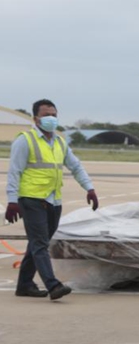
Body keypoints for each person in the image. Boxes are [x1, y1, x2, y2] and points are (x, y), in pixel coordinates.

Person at [5, 99, 98, 300]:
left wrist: (89, 188)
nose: (51, 118)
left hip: (53, 200)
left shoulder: (59, 142)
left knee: (38, 242)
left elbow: (75, 166)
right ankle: (53, 285)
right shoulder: (25, 140)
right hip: (31, 199)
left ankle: (24, 284)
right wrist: (12, 201)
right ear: (35, 118)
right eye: (46, 114)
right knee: (40, 244)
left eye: (54, 115)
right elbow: (14, 172)